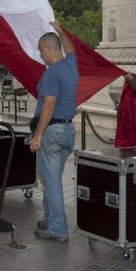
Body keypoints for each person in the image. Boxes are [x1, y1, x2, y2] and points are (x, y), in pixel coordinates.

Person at [29, 20, 78, 242]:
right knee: (54, 179)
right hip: (68, 130)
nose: (41, 56)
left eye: (41, 51)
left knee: (51, 184)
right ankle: (50, 219)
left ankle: (57, 229)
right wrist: (59, 28)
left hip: (52, 131)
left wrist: (38, 135)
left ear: (49, 49)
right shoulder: (71, 65)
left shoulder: (52, 74)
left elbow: (49, 105)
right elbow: (71, 48)